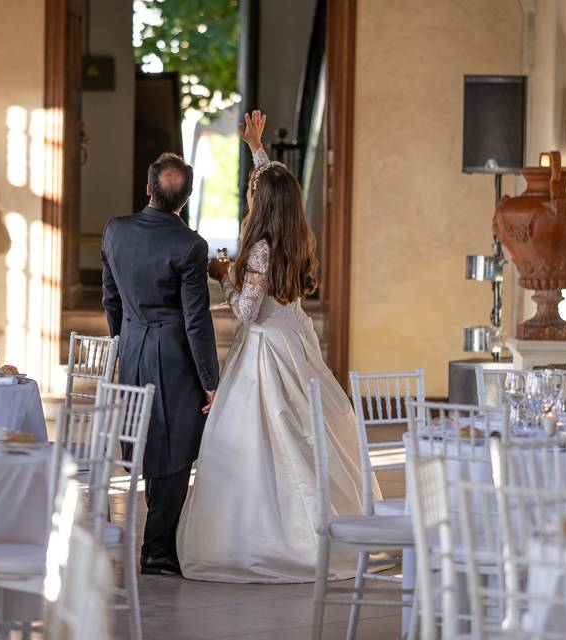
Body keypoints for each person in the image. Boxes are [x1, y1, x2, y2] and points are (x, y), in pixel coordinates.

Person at [176, 110, 372, 583]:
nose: (248, 193)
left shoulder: (261, 247)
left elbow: (245, 311)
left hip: (265, 351)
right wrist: (255, 148)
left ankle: (276, 542)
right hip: (295, 341)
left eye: (251, 192)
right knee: (307, 436)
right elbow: (274, 183)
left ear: (260, 204)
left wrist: (224, 279)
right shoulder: (296, 235)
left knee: (264, 441)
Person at [101, 152, 220, 576]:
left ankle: (158, 543)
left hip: (132, 347)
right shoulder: (190, 245)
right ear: (184, 200)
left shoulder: (115, 230)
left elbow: (110, 298)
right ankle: (157, 551)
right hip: (172, 357)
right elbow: (196, 319)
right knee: (173, 448)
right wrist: (211, 380)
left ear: (148, 189)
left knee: (147, 441)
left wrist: (123, 341)